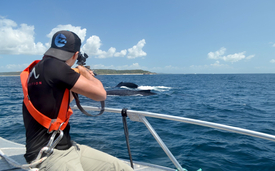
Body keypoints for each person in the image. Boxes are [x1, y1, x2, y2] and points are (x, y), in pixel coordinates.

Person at [20, 30, 134, 171]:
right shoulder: (58, 68)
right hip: (49, 154)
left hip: (66, 148)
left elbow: (62, 101)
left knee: (120, 168)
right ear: (75, 55)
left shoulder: (38, 69)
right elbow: (101, 95)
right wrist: (85, 73)